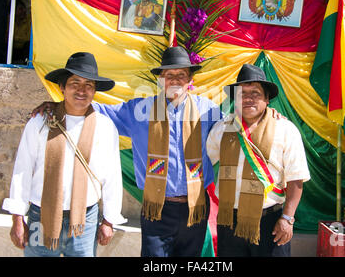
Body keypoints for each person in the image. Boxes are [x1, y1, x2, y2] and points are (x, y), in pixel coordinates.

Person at [33, 46, 221, 257]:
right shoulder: (138, 111)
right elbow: (95, 109)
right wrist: (60, 105)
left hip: (196, 207)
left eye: (181, 75)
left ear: (190, 80)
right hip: (156, 209)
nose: (175, 80)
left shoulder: (209, 111)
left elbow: (234, 132)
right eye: (169, 75)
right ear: (160, 79)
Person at [3, 52, 125, 257]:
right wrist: (17, 217)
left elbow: (112, 175)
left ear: (94, 90)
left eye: (88, 85)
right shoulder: (40, 122)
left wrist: (109, 220)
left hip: (85, 222)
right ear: (62, 87)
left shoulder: (104, 127)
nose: (81, 90)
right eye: (74, 83)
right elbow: (23, 169)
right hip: (40, 216)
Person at [206, 64, 310, 257]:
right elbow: (203, 165)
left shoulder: (286, 130)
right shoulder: (221, 129)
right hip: (229, 222)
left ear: (267, 98)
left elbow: (296, 179)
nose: (248, 98)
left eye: (255, 92)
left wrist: (287, 219)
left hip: (270, 222)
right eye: (242, 93)